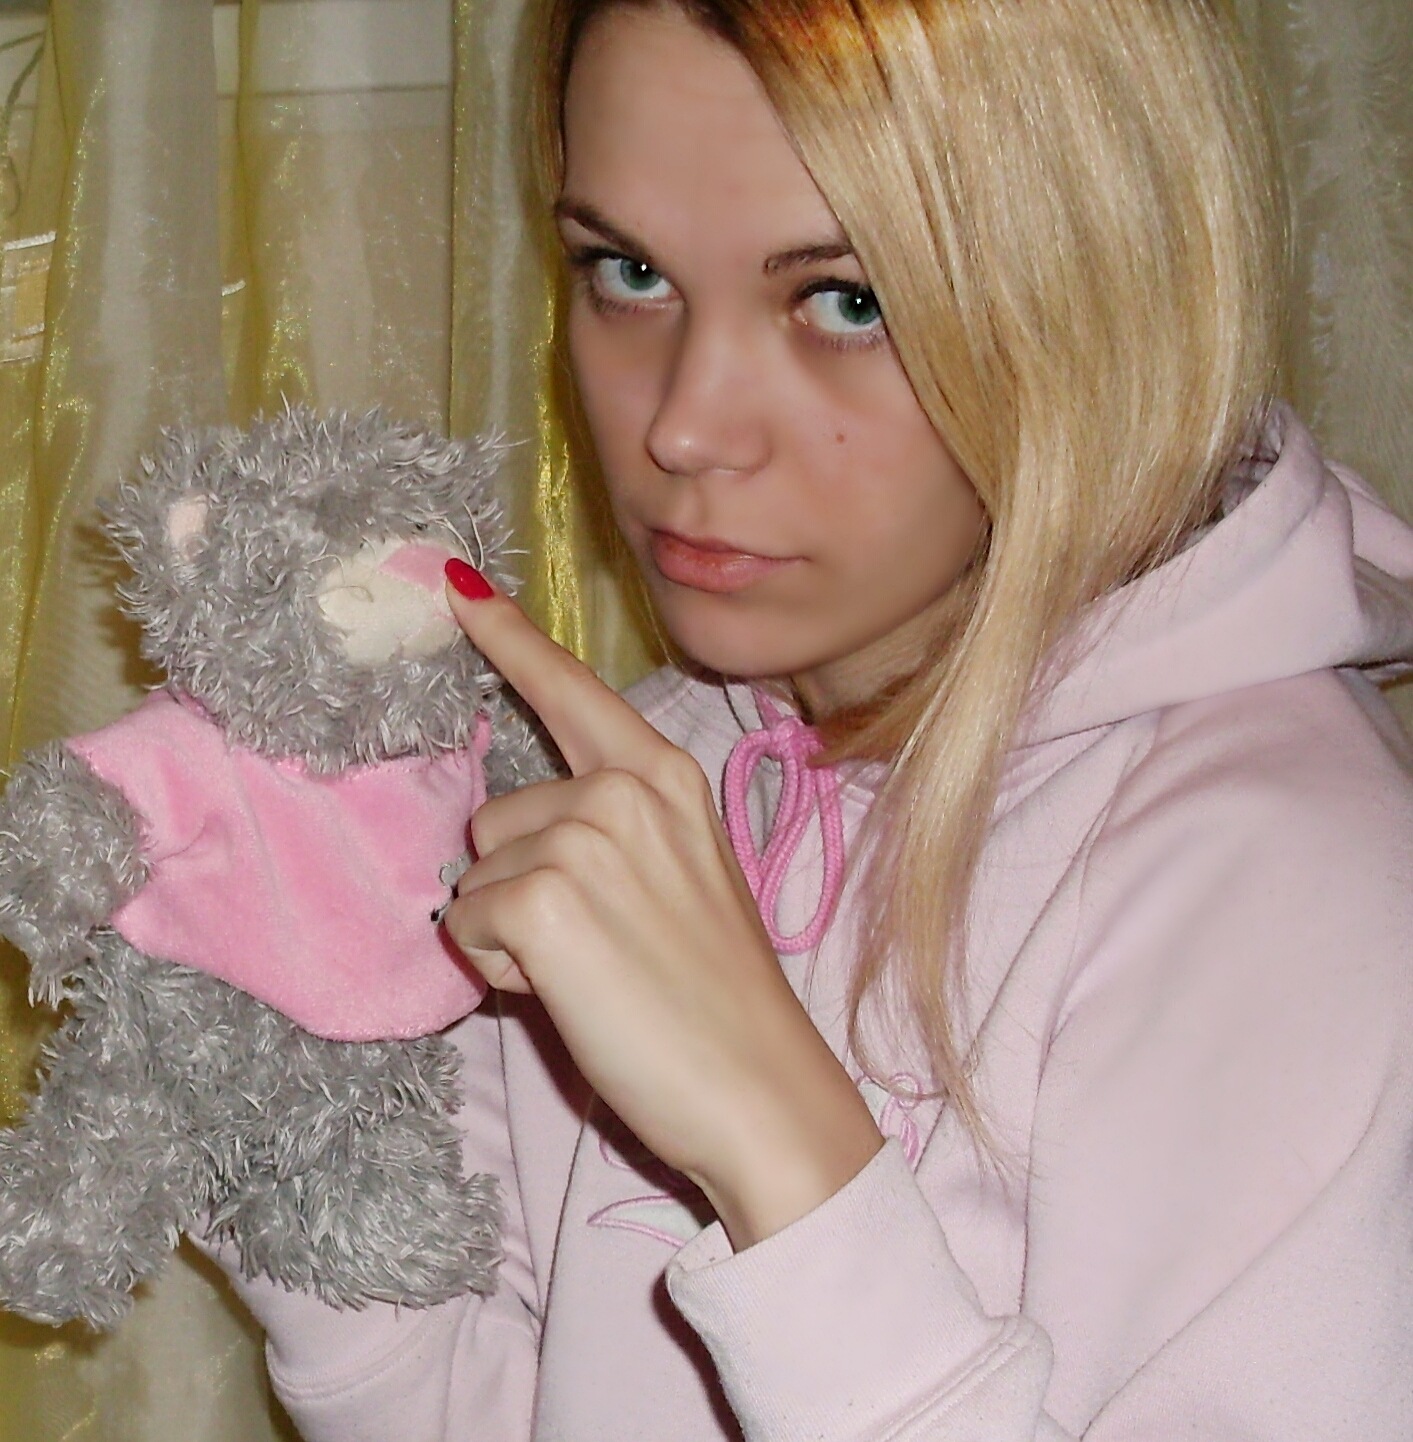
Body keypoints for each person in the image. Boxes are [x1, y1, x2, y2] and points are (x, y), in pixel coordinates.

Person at [206, 1, 1413, 1437]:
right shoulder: (649, 768)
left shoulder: (1297, 887)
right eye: (628, 272)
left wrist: (774, 1138)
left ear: (1097, 291)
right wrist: (286, 1088)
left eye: (846, 301)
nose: (684, 427)